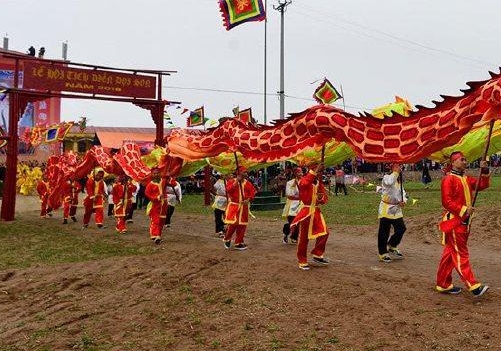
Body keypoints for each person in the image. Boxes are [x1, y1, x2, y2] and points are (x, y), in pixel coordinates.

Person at [436, 151, 491, 297]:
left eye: (466, 160)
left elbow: (482, 185)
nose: (465, 162)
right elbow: (446, 202)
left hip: (464, 222)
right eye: (462, 159)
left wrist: (484, 169)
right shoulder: (448, 179)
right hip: (455, 222)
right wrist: (465, 210)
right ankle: (473, 286)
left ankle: (443, 284)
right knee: (461, 254)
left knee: (450, 254)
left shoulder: (466, 178)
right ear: (453, 162)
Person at [290, 164, 330, 270]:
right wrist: (315, 171)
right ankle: (302, 260)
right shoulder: (303, 180)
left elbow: (324, 197)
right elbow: (304, 184)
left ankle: (317, 254)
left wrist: (321, 199)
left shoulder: (318, 182)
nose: (319, 172)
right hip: (306, 211)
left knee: (325, 232)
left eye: (320, 170)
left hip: (316, 211)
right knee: (304, 237)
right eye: (317, 170)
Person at [377, 163, 407, 263]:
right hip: (386, 208)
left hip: (396, 208)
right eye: (397, 166)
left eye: (400, 166)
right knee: (384, 231)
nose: (400, 168)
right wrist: (395, 172)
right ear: (392, 168)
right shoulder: (387, 177)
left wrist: (404, 201)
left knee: (401, 228)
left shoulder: (398, 181)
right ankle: (382, 253)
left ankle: (392, 245)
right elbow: (390, 182)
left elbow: (402, 192)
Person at [223, 166, 256, 250]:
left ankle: (239, 242)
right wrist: (237, 181)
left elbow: (252, 193)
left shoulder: (248, 183)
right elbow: (228, 190)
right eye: (244, 172)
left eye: (246, 172)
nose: (246, 174)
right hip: (234, 206)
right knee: (233, 224)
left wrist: (248, 200)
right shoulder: (231, 181)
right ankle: (227, 238)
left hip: (244, 207)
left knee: (242, 225)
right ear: (239, 173)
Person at [145, 168, 167, 244]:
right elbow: (148, 194)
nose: (156, 174)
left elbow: (173, 183)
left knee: (162, 221)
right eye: (154, 173)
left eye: (157, 173)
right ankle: (155, 235)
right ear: (152, 174)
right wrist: (157, 197)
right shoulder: (150, 185)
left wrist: (169, 175)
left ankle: (158, 235)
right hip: (155, 205)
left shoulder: (164, 181)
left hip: (164, 205)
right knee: (155, 220)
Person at [282, 167, 302, 244]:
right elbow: (289, 194)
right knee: (292, 222)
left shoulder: (304, 181)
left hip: (301, 204)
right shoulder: (290, 183)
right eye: (298, 172)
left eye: (301, 172)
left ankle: (294, 237)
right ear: (295, 173)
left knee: (299, 222)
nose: (300, 174)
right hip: (292, 204)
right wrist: (294, 186)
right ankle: (286, 234)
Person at [212, 173, 228, 237]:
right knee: (218, 216)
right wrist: (216, 194)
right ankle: (220, 230)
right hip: (219, 201)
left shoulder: (227, 182)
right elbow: (213, 188)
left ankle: (225, 229)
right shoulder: (218, 182)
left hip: (226, 201)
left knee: (226, 216)